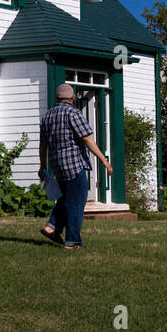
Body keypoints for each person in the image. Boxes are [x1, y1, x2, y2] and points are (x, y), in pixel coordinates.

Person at [38, 83, 111, 250]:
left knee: (67, 198)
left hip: (57, 166)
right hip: (74, 165)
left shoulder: (48, 116)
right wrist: (103, 160)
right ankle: (72, 241)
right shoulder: (73, 113)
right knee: (76, 203)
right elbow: (87, 139)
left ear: (57, 98)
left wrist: (43, 166)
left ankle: (51, 227)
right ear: (72, 98)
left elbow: (43, 145)